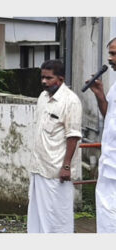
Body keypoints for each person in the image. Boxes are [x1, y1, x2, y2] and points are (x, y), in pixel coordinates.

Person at [27, 59, 82, 233]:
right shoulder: (43, 97)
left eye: (49, 78)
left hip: (56, 172)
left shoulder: (71, 101)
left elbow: (73, 136)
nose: (44, 81)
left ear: (61, 78)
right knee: (37, 219)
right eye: (42, 77)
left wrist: (66, 166)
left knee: (57, 219)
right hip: (39, 168)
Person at [88, 37, 116, 233]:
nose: (110, 58)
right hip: (109, 164)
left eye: (114, 54)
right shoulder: (114, 88)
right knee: (107, 219)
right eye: (110, 53)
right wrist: (99, 94)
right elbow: (109, 117)